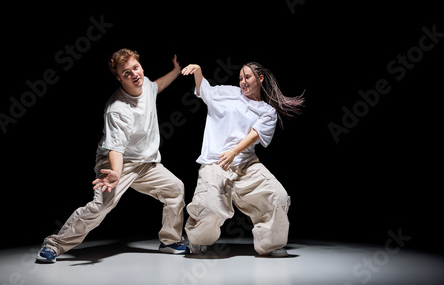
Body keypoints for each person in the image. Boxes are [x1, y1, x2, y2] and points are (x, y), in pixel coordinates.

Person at [36, 48, 187, 263]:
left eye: (136, 68)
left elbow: (157, 86)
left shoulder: (146, 85)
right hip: (116, 163)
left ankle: (170, 240)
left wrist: (176, 70)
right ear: (119, 78)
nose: (134, 74)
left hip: (146, 163)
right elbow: (116, 147)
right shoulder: (118, 109)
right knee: (101, 206)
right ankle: (54, 244)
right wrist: (116, 172)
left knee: (175, 189)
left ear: (141, 67)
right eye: (127, 73)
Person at [181, 62, 304, 257]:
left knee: (278, 196)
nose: (243, 82)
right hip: (216, 162)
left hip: (246, 164)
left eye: (247, 77)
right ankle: (197, 240)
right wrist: (198, 72)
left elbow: (255, 135)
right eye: (240, 78)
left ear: (259, 78)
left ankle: (271, 244)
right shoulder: (229, 93)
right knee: (209, 206)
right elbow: (205, 91)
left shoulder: (267, 111)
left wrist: (234, 152)